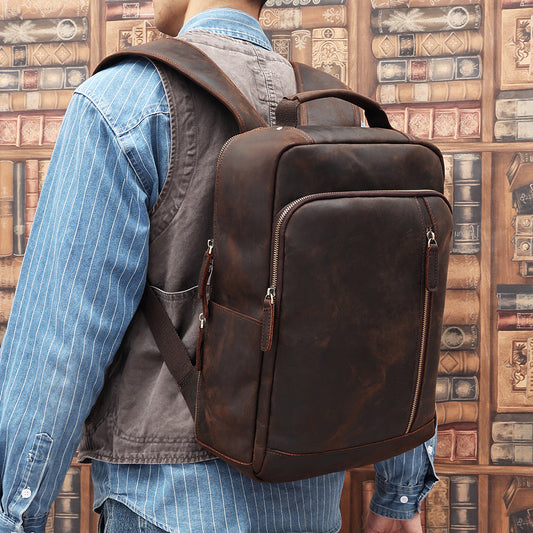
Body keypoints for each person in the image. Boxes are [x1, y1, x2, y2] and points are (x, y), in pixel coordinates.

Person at [0, 0, 438, 531]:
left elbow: (61, 339)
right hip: (309, 500)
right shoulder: (337, 111)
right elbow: (388, 314)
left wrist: (15, 514)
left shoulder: (124, 100)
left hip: (167, 503)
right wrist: (400, 489)